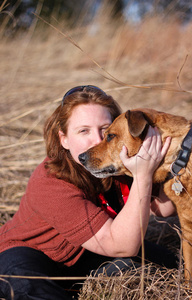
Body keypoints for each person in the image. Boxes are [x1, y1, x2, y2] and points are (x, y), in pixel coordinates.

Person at [0, 85, 177, 300]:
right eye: (83, 131)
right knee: (26, 286)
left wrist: (167, 162)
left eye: (105, 129)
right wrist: (142, 176)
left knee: (171, 263)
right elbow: (122, 246)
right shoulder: (50, 182)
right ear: (63, 138)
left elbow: (165, 208)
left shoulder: (118, 162)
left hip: (86, 253)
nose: (97, 140)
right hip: (32, 255)